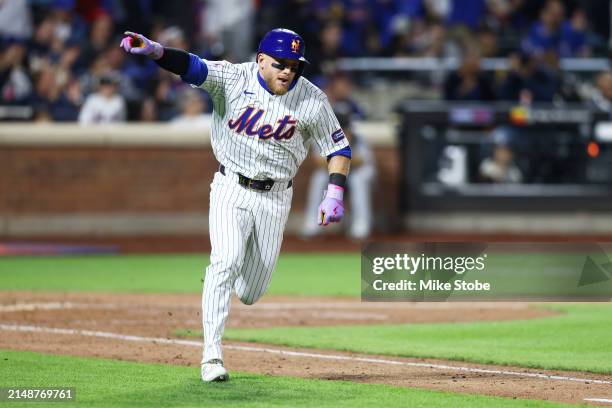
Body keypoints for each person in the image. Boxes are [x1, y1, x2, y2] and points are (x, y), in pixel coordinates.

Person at [120, 28, 351, 382]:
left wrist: (334, 192)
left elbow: (338, 149)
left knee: (252, 292)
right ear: (261, 60)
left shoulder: (312, 99)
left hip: (276, 198)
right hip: (231, 187)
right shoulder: (232, 78)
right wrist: (155, 51)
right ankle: (211, 356)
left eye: (294, 65)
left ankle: (230, 280)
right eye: (280, 64)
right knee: (225, 262)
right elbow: (193, 67)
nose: (288, 71)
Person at [302, 102, 374, 240]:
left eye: (344, 126)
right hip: (334, 174)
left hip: (356, 174)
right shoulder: (324, 137)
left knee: (358, 180)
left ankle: (361, 225)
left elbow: (362, 162)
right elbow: (319, 162)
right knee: (319, 178)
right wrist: (343, 160)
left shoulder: (358, 138)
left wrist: (337, 160)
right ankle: (313, 223)